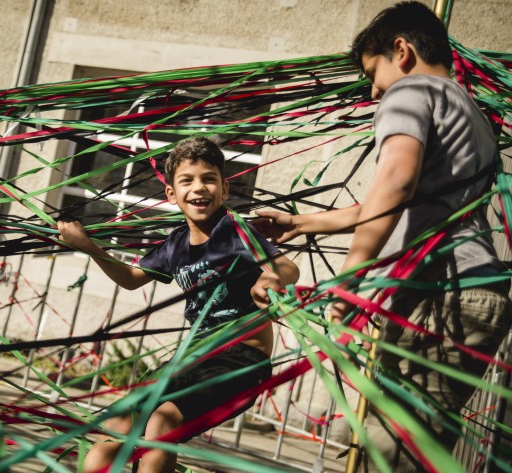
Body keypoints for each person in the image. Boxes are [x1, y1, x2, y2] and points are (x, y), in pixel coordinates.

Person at [250, 2, 511, 472]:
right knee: (385, 447)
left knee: (388, 456)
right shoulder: (470, 113)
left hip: (440, 295)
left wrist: (350, 280)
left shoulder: (412, 90)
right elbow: (413, 199)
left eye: (373, 73)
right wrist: (302, 222)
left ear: (402, 50)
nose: (373, 91)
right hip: (463, 291)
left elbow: (394, 182)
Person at [58, 136, 299, 473]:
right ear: (171, 194)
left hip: (241, 360)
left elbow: (288, 267)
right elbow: (130, 278)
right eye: (187, 180)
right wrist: (89, 248)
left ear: (224, 189)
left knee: (162, 421)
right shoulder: (174, 245)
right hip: (193, 357)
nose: (199, 187)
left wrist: (269, 278)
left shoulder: (235, 231)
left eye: (208, 178)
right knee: (114, 429)